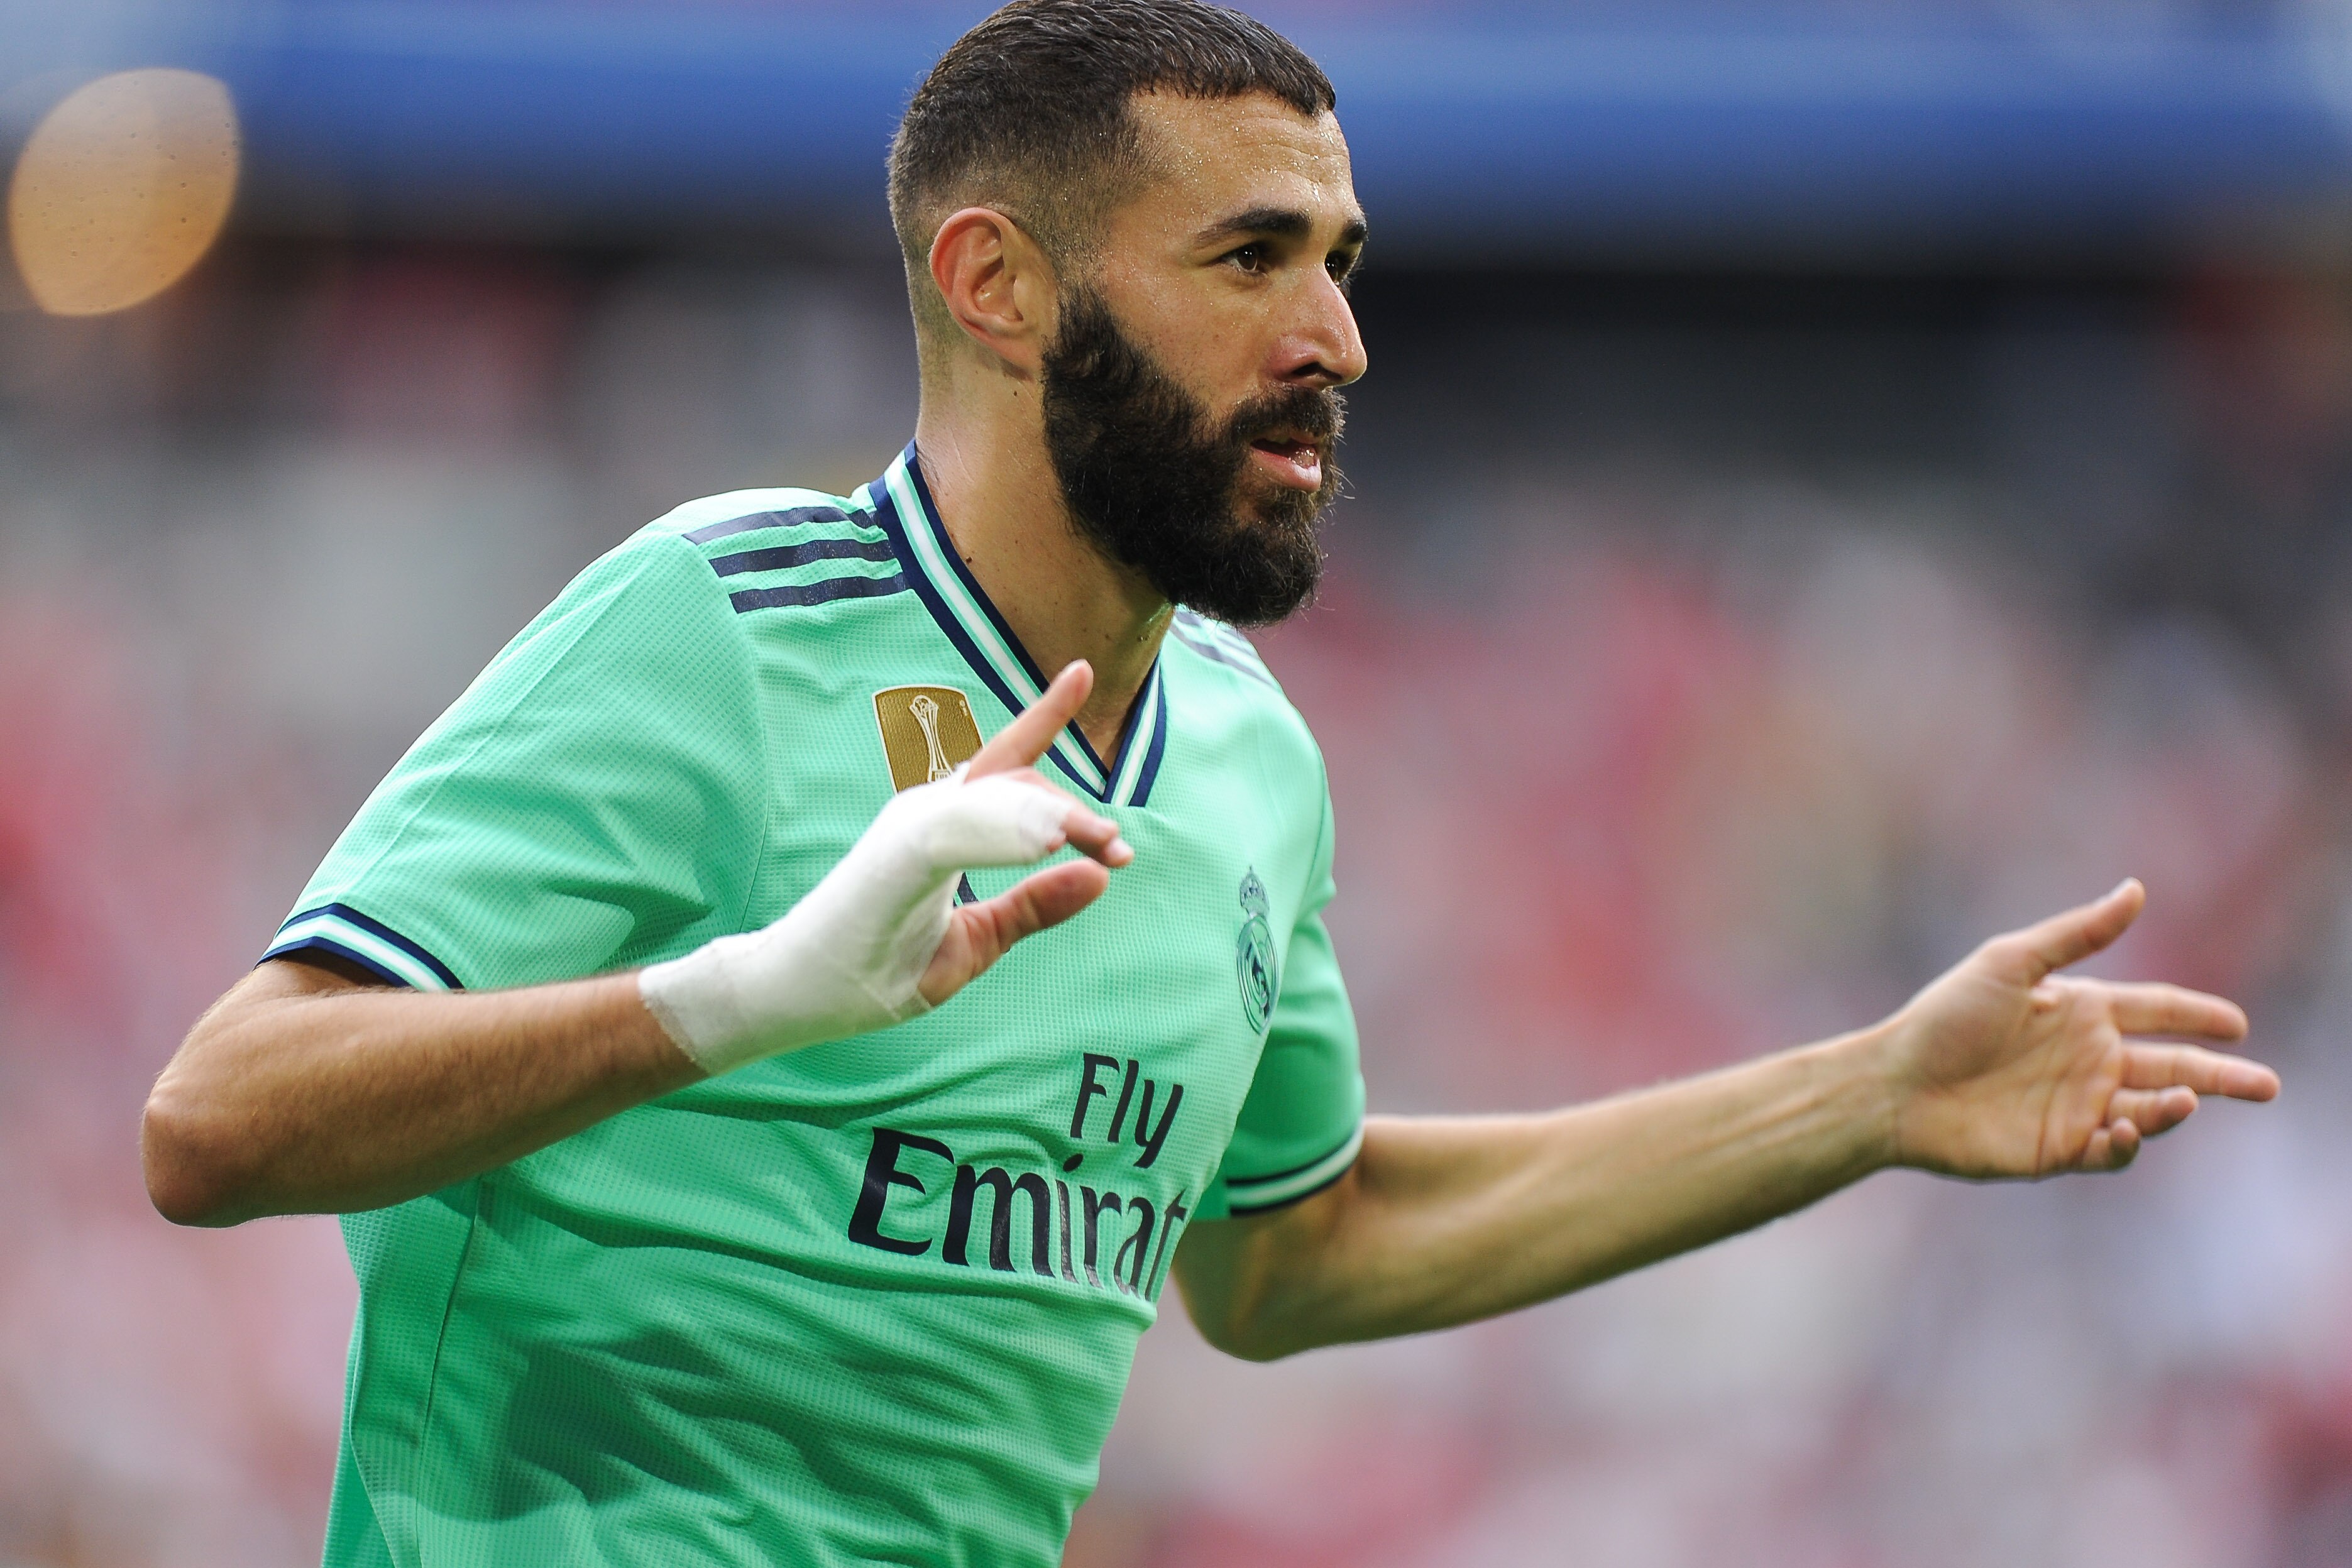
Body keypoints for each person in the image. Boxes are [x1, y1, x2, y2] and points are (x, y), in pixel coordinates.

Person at [141, 3, 2280, 1564]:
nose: (1336, 335)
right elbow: (219, 1120)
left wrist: (1873, 1097)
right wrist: (742, 1001)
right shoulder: (719, 623)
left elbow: (1297, 1249)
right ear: (999, 286)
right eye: (1254, 258)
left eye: (1342, 261)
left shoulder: (1251, 760)